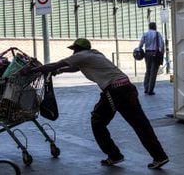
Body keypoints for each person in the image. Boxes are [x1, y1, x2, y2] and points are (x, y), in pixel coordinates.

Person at [31, 38, 169, 169]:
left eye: (74, 49)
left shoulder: (81, 55)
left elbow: (56, 64)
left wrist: (33, 70)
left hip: (114, 92)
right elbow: (76, 68)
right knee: (140, 124)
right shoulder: (95, 54)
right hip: (127, 87)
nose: (73, 52)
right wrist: (59, 71)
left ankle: (114, 155)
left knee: (97, 121)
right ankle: (159, 156)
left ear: (78, 49)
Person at [138, 22, 164, 95]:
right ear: (155, 27)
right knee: (153, 73)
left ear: (149, 27)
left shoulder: (145, 34)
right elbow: (162, 45)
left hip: (147, 53)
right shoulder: (157, 34)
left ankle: (146, 88)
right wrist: (162, 53)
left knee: (148, 71)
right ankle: (150, 90)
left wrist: (139, 50)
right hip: (155, 54)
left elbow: (140, 44)